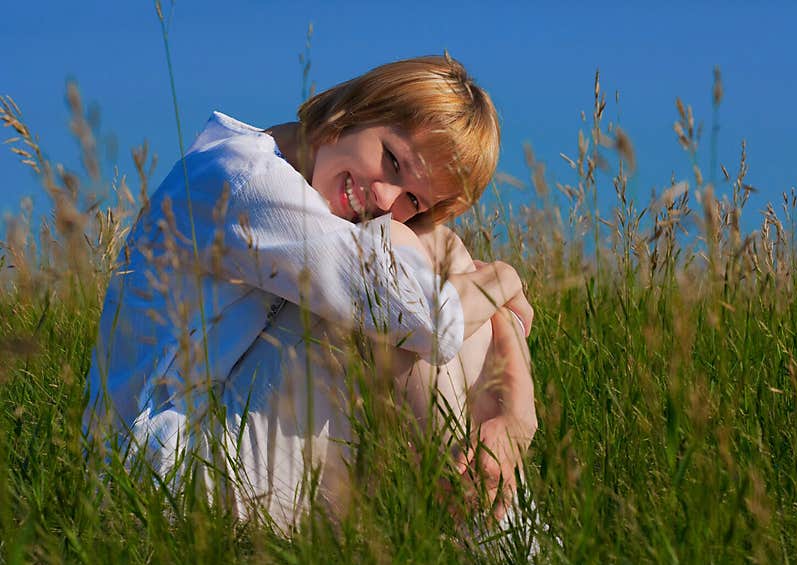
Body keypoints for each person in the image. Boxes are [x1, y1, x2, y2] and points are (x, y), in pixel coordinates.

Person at [84, 55, 537, 534]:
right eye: (393, 160)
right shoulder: (244, 178)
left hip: (221, 450)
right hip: (164, 477)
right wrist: (505, 277)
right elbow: (423, 316)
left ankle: (489, 527)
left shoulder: (299, 184)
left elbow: (429, 298)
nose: (386, 199)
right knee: (403, 258)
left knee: (431, 247)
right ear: (356, 110)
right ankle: (490, 538)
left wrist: (516, 413)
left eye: (414, 199)